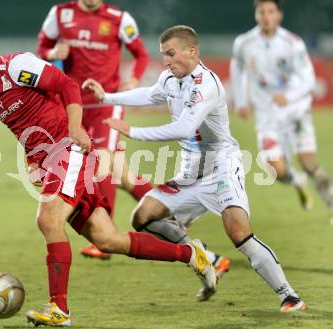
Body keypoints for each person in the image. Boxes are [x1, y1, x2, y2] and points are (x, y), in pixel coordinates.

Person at [0, 24, 217, 327]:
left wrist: (74, 129)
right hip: (51, 163)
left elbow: (66, 85)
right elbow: (24, 129)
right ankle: (190, 255)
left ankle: (59, 309)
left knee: (48, 220)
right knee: (107, 239)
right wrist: (33, 162)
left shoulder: (17, 66)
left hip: (69, 151)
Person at [83, 25, 307, 312]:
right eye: (163, 55)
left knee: (238, 232)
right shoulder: (170, 78)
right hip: (189, 172)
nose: (165, 61)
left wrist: (132, 131)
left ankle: (289, 295)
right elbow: (150, 94)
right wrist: (107, 98)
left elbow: (184, 127)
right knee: (143, 215)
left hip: (221, 168)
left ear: (192, 50)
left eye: (171, 54)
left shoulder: (206, 85)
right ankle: (199, 254)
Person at [37, 0, 153, 259]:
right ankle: (170, 210)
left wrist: (133, 79)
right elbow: (42, 47)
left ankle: (105, 236)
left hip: (106, 102)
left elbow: (141, 54)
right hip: (74, 105)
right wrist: (54, 53)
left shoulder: (118, 18)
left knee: (100, 161)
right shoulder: (60, 14)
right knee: (121, 174)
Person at [230, 0, 333, 219]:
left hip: (295, 111)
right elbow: (237, 67)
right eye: (262, 12)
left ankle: (331, 200)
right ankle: (297, 180)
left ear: (279, 15)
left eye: (271, 11)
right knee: (275, 169)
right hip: (267, 116)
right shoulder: (244, 43)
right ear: (256, 15)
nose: (266, 16)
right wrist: (240, 100)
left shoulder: (292, 43)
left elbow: (308, 78)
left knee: (308, 161)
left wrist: (288, 96)